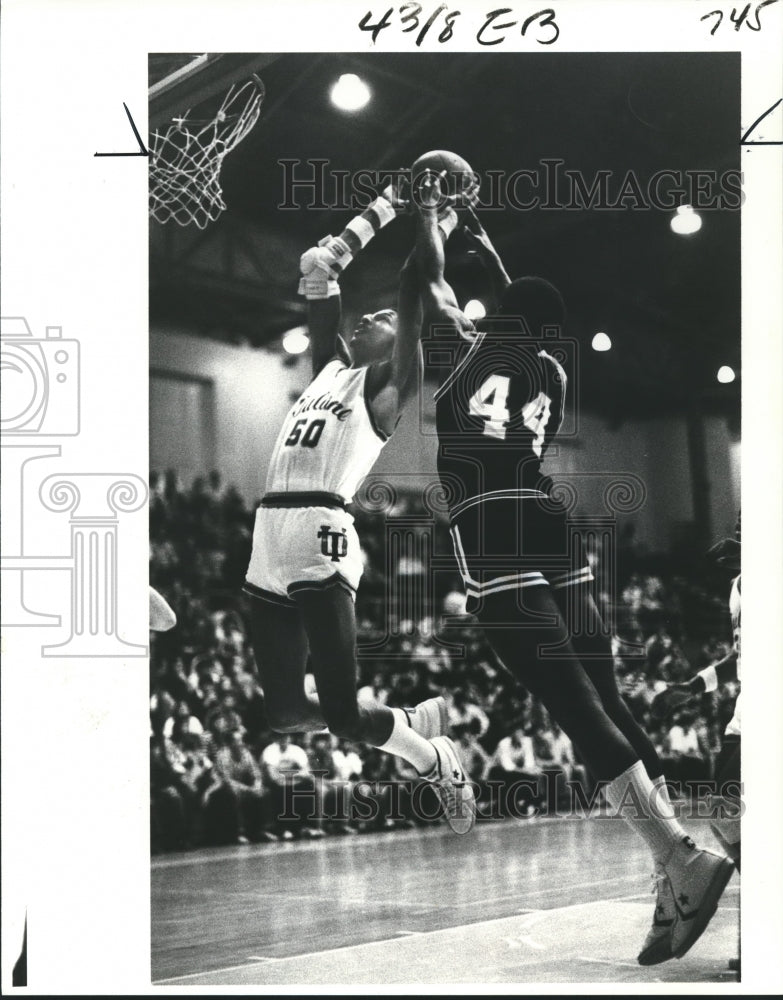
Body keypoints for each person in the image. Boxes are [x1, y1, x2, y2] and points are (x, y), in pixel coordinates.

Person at [413, 193, 734, 963]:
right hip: (550, 523)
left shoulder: (461, 349)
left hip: (490, 520)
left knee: (570, 704)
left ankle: (678, 859)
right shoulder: (551, 371)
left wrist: (430, 216)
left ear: (498, 316)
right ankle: (674, 864)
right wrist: (489, 248)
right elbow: (524, 305)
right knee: (607, 698)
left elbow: (429, 283)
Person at [243, 174, 476, 833]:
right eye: (367, 316)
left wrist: (432, 217)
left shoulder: (390, 383)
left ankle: (431, 757)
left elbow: (411, 285)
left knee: (343, 715)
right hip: (269, 529)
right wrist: (373, 212)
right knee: (284, 712)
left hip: (322, 530)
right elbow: (318, 274)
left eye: (383, 319)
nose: (370, 318)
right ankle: (408, 722)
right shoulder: (329, 369)